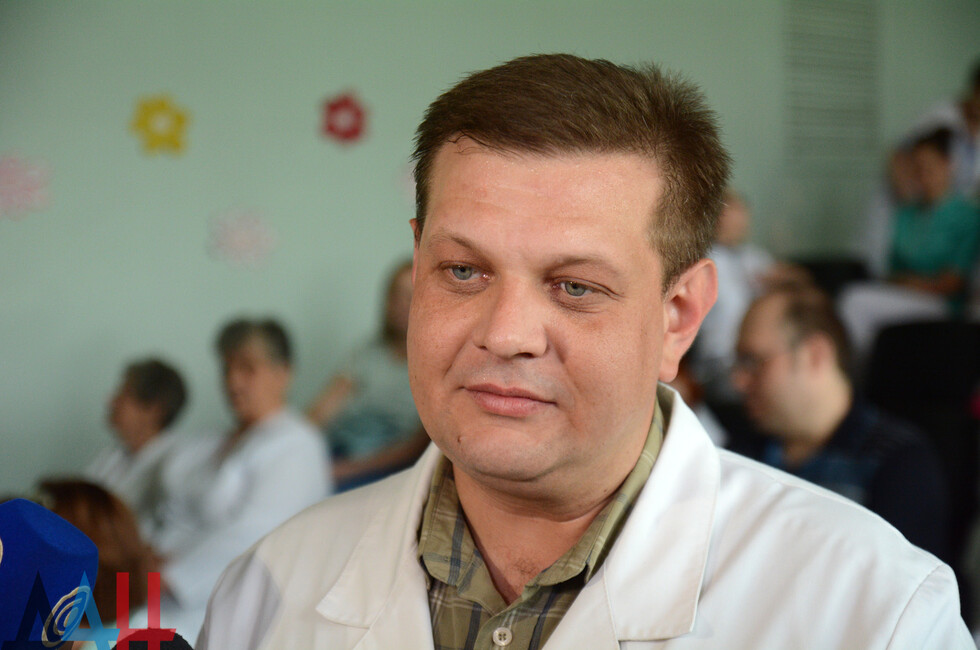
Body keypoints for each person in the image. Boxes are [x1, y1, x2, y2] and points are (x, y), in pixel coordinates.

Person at [198, 54, 972, 649]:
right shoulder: (266, 591)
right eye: (462, 271)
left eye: (575, 287)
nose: (506, 334)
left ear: (677, 317)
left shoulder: (878, 614)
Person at [730, 285, 950, 559]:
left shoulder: (899, 463)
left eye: (752, 361)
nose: (738, 381)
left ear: (815, 354)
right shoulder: (743, 448)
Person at [149, 318, 330, 640]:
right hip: (150, 581)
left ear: (283, 373)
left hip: (211, 605)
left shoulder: (297, 446)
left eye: (248, 368)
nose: (233, 381)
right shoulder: (210, 443)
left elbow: (254, 537)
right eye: (227, 369)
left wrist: (162, 578)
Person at [839, 127, 980, 365]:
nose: (922, 175)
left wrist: (910, 283)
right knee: (862, 309)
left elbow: (952, 282)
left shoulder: (967, 216)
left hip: (942, 305)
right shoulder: (906, 214)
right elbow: (891, 273)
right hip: (905, 296)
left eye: (929, 167)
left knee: (856, 301)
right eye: (917, 168)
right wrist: (907, 282)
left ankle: (851, 375)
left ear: (949, 165)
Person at [307, 259, 428, 490]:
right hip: (340, 449)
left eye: (410, 295)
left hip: (385, 466)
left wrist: (344, 470)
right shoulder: (369, 352)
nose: (401, 304)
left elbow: (415, 448)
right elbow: (322, 410)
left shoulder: (433, 364)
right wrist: (288, 440)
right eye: (396, 295)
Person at [85, 358, 188, 533]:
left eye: (124, 394)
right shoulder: (113, 454)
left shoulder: (174, 465)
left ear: (154, 410)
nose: (111, 401)